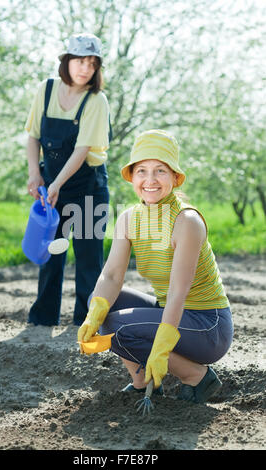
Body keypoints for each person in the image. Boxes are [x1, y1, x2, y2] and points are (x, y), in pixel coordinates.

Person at [77, 129, 234, 404]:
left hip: (208, 326)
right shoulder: (128, 218)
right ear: (132, 177)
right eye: (142, 171)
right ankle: (142, 383)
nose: (150, 180)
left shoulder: (187, 221)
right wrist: (93, 315)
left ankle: (197, 376)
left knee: (118, 327)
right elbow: (112, 275)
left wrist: (162, 344)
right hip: (172, 312)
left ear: (175, 177)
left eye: (160, 171)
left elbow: (178, 292)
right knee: (99, 303)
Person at [25, 33, 111, 326]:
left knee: (88, 260)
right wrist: (35, 174)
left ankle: (87, 324)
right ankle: (42, 319)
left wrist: (56, 185)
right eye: (79, 61)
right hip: (51, 185)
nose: (85, 68)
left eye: (91, 63)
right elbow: (33, 135)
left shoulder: (97, 101)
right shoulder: (46, 90)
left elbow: (81, 149)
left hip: (89, 189)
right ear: (66, 61)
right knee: (50, 253)